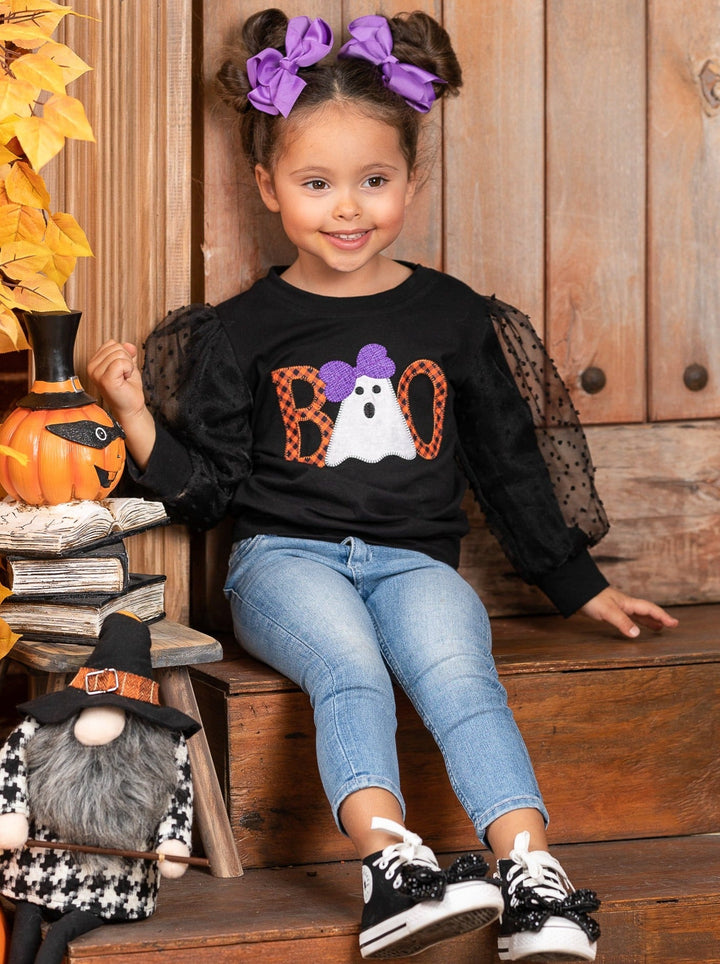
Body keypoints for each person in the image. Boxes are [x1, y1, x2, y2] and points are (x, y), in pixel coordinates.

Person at [88, 10, 678, 961]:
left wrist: (578, 583)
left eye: (375, 180)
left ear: (412, 178)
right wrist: (133, 414)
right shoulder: (241, 330)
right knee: (352, 668)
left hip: (416, 563)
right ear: (268, 185)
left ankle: (533, 878)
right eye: (316, 183)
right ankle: (392, 869)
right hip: (285, 561)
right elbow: (210, 491)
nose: (348, 209)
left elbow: (509, 461)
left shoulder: (453, 316)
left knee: (462, 677)